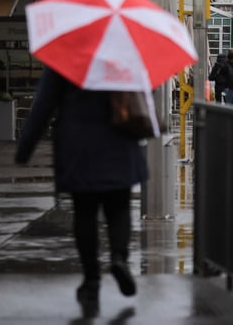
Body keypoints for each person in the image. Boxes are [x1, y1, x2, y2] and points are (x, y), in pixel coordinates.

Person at [15, 67, 146, 318]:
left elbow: (43, 104)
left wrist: (25, 148)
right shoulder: (122, 57)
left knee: (85, 213)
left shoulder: (65, 59)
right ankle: (119, 258)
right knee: (119, 208)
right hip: (119, 139)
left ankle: (91, 280)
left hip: (78, 144)